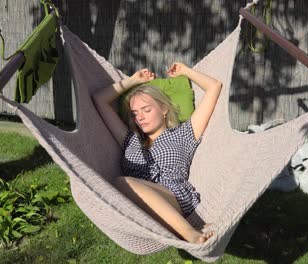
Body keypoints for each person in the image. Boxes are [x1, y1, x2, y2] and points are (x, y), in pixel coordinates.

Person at [92, 62, 222, 244]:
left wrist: (185, 71)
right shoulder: (131, 139)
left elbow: (214, 86)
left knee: (121, 182)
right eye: (135, 113)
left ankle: (189, 233)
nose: (140, 118)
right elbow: (99, 99)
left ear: (164, 109)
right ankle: (178, 231)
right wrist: (133, 80)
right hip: (136, 206)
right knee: (118, 185)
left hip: (171, 197)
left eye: (146, 110)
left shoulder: (183, 134)